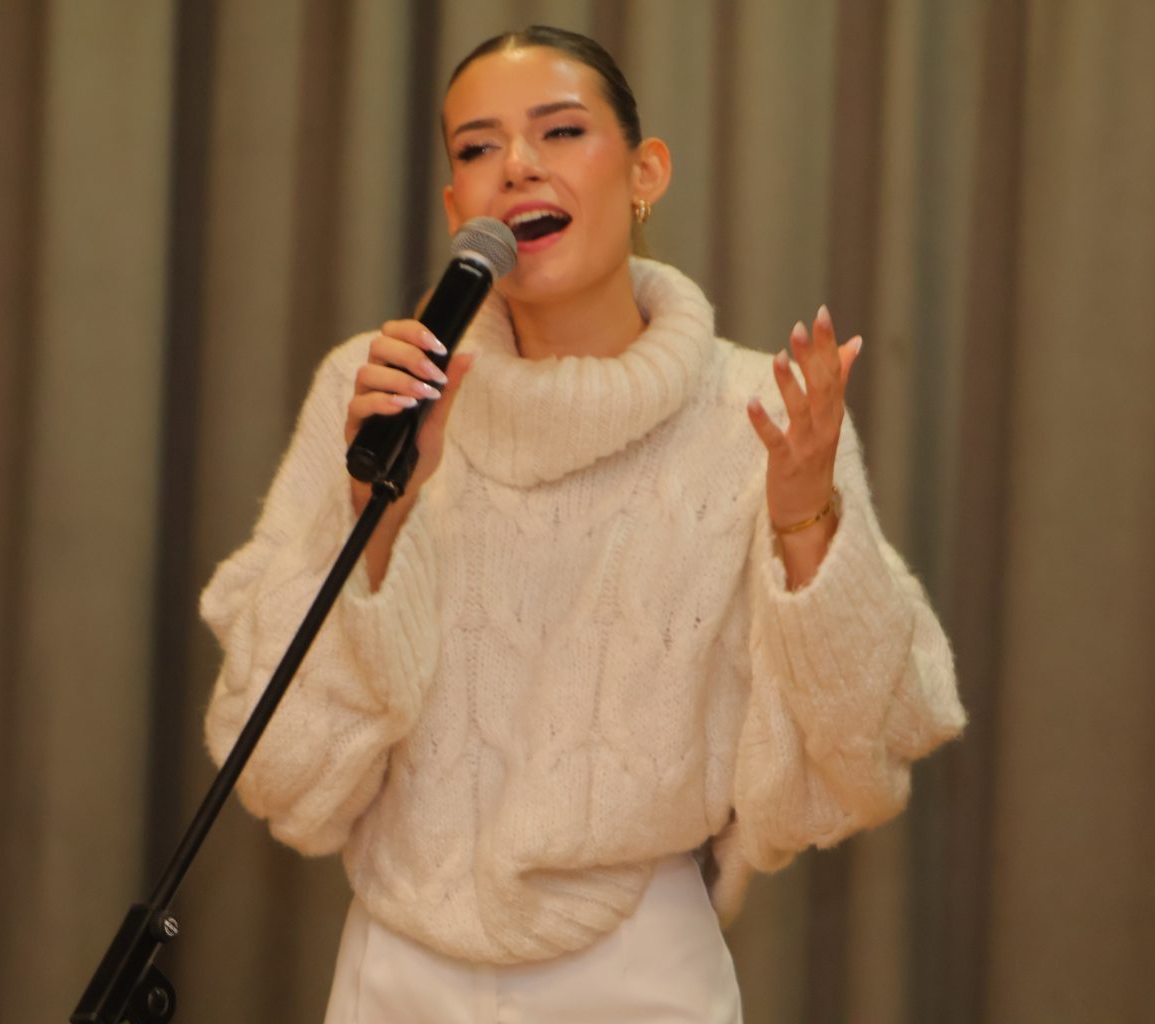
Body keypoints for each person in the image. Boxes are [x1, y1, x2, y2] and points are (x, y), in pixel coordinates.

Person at [201, 24, 966, 1023]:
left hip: (639, 974)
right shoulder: (376, 390)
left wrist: (804, 523)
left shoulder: (755, 414)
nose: (517, 166)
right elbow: (278, 769)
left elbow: (866, 751)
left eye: (559, 131)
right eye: (478, 148)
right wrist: (377, 510)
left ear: (647, 173)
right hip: (395, 974)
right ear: (456, 210)